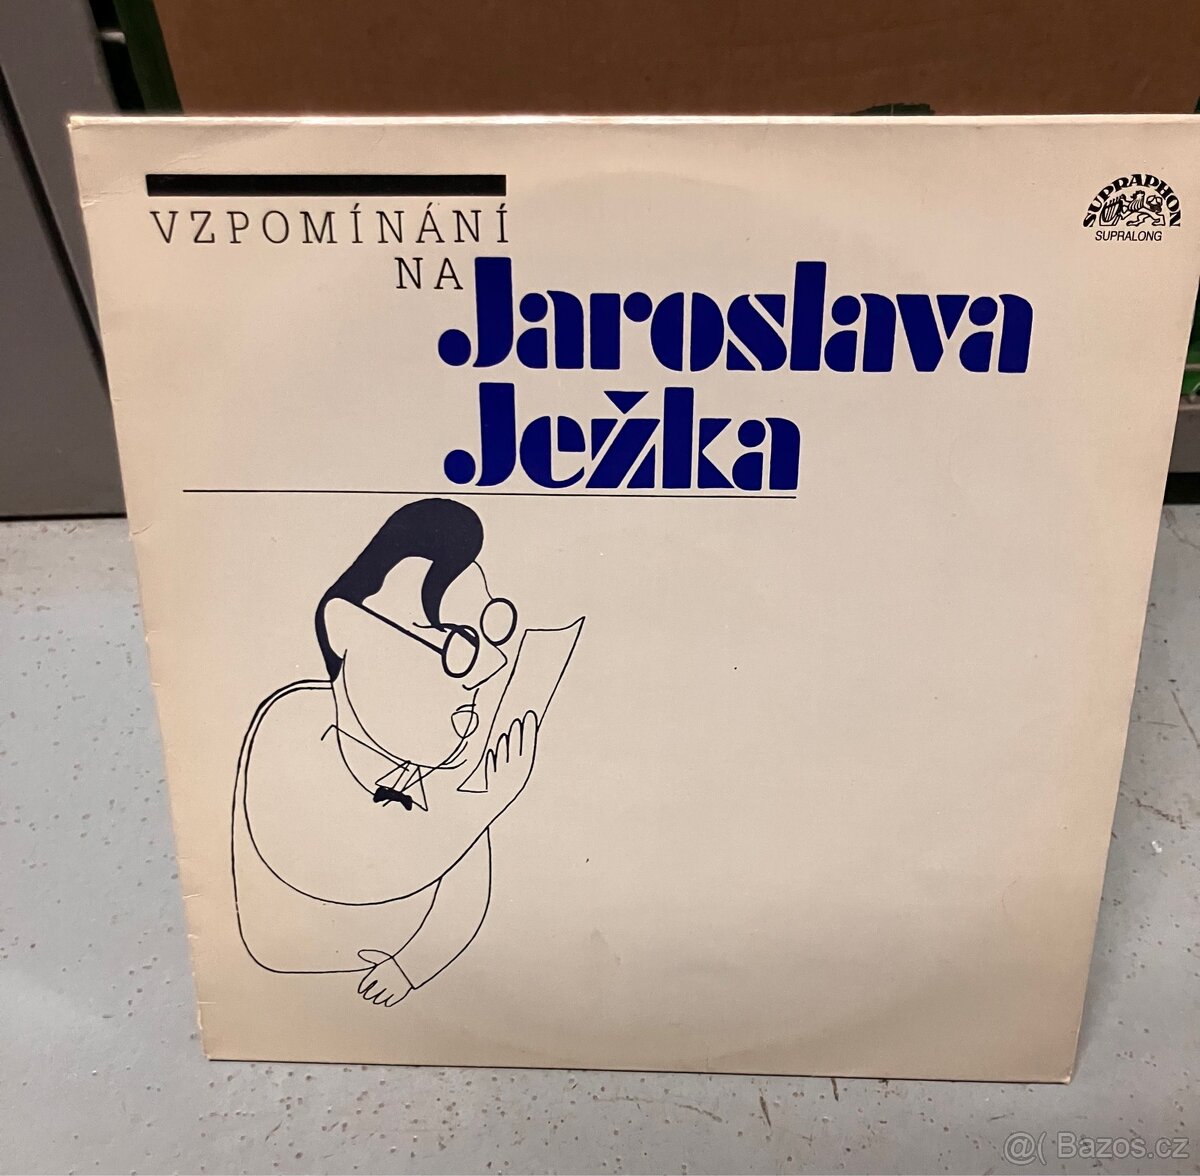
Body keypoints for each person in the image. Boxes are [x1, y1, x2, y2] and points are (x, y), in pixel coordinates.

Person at [232, 498, 576, 1008]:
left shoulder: (446, 770)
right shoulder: (293, 719)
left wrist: (410, 967)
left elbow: (464, 897)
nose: (485, 670)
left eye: (491, 635)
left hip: (406, 988)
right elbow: (320, 864)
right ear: (345, 629)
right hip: (294, 977)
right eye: (453, 642)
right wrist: (478, 811)